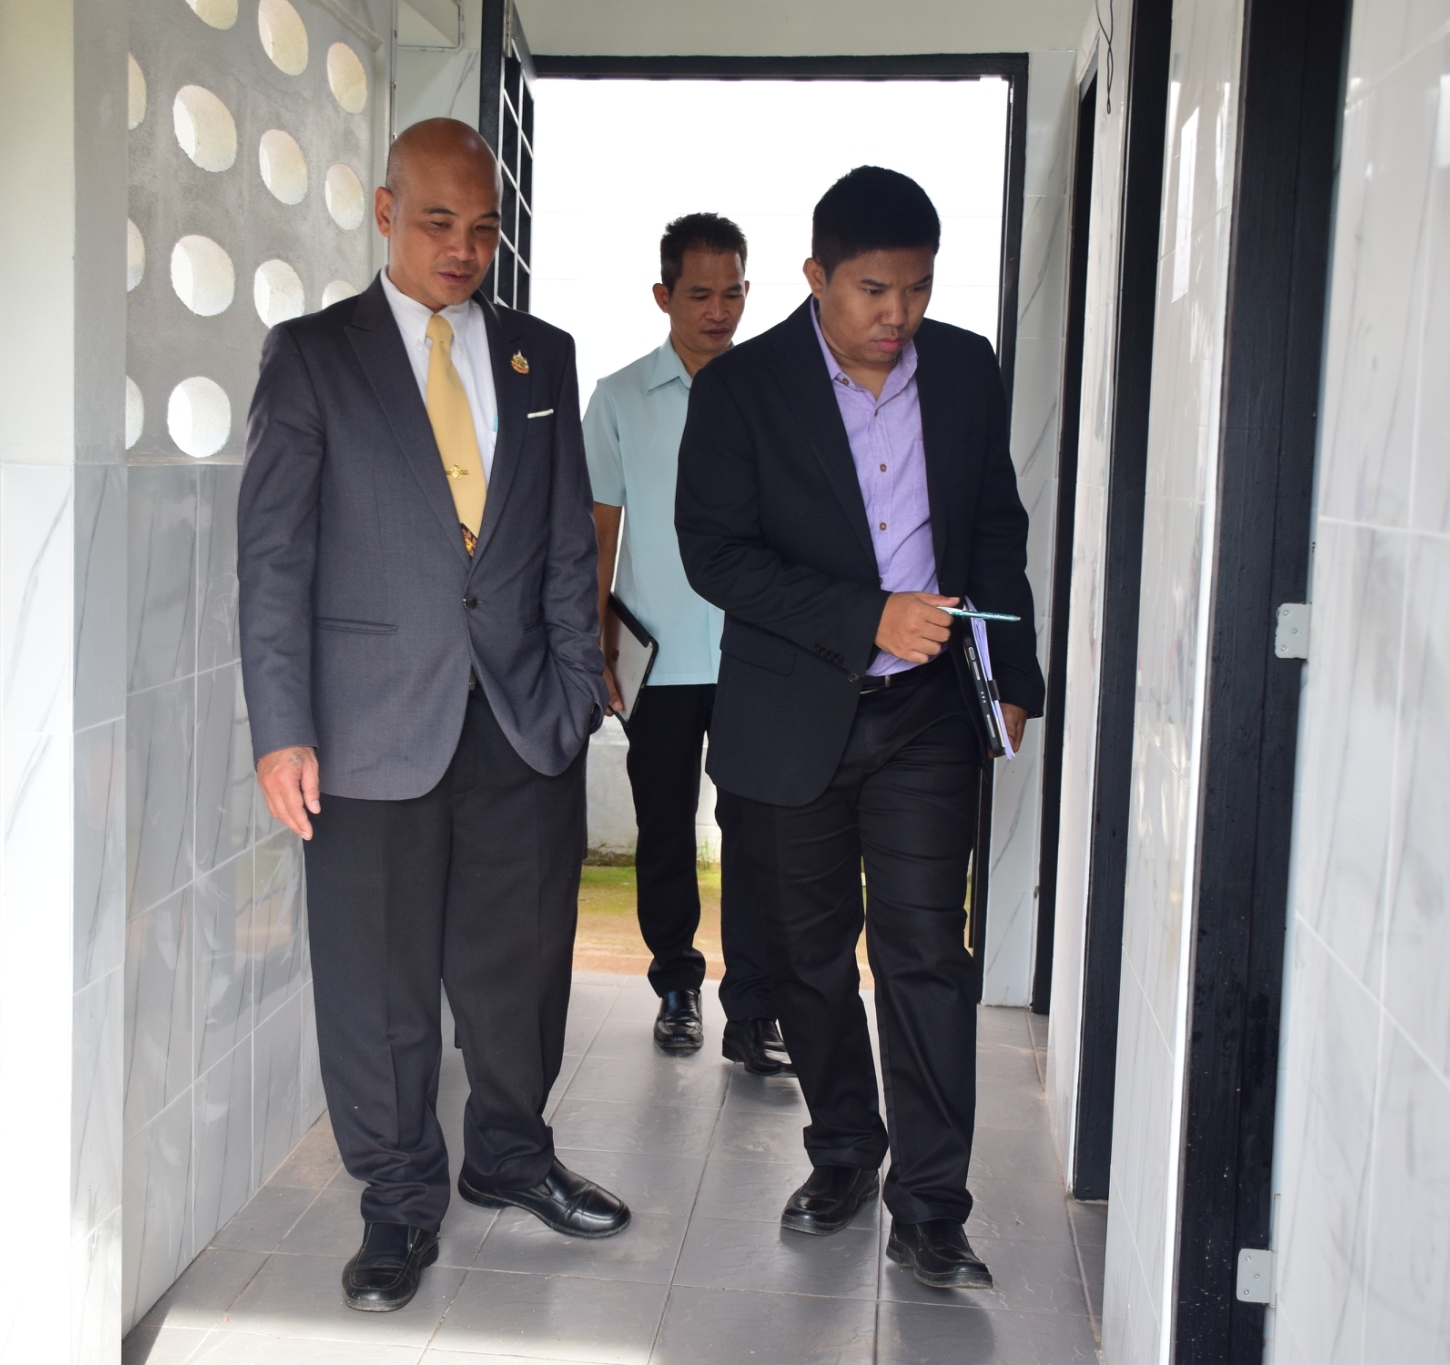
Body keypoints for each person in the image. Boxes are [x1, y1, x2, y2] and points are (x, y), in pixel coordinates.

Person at [238, 117, 628, 1315]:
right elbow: (273, 556)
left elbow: (565, 543)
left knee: (519, 968)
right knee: (379, 981)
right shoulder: (313, 356)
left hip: (518, 720)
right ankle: (398, 1200)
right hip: (365, 729)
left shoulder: (540, 357)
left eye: (483, 227)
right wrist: (281, 727)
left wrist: (574, 695)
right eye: (438, 221)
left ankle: (508, 1154)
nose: (462, 248)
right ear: (385, 212)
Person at [674, 166, 1044, 1291]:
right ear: (816, 277)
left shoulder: (966, 369)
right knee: (807, 956)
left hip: (927, 716)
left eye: (917, 290)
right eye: (874, 291)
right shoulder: (741, 388)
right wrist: (863, 615)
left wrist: (1011, 672)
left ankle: (932, 1208)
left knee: (928, 955)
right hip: (793, 716)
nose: (899, 316)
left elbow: (994, 528)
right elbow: (714, 554)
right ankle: (842, 1149)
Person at [583, 213, 790, 1074]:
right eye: (699, 293)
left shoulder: (774, 392)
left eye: (732, 292)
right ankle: (676, 984)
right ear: (663, 295)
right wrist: (595, 643)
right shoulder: (619, 398)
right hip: (658, 658)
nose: (718, 310)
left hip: (754, 655)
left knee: (755, 835)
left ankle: (754, 1009)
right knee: (664, 828)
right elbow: (599, 531)